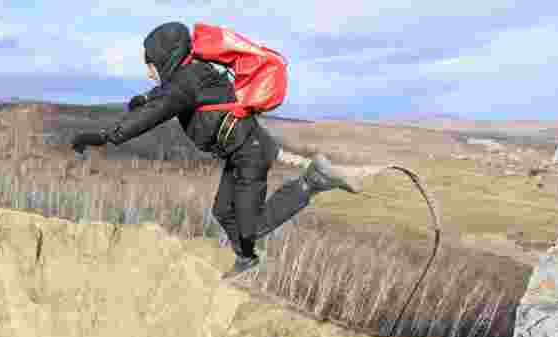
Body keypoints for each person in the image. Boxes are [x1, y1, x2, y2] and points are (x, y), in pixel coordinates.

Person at [71, 21, 362, 277]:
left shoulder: (186, 82)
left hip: (251, 152)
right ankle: (246, 259)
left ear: (165, 59)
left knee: (252, 227)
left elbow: (158, 110)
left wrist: (105, 136)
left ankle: (312, 182)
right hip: (239, 152)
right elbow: (165, 94)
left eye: (150, 65)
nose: (149, 73)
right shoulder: (190, 74)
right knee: (223, 210)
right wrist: (144, 98)